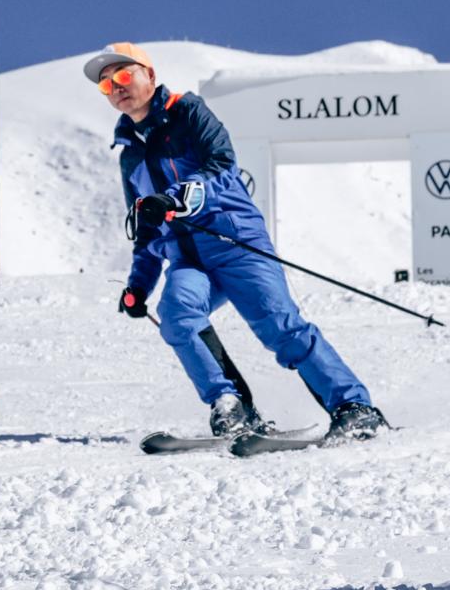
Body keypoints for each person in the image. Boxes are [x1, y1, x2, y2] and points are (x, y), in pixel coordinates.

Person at [88, 42, 387, 441]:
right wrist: (138, 285)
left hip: (235, 243)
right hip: (189, 260)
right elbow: (146, 231)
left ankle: (355, 407)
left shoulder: (187, 112)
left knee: (281, 328)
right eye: (106, 85)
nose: (116, 87)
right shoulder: (128, 155)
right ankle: (232, 406)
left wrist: (180, 197)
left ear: (151, 76)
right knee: (177, 316)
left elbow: (223, 165)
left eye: (124, 75)